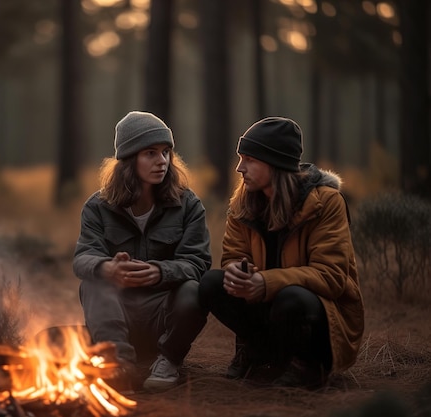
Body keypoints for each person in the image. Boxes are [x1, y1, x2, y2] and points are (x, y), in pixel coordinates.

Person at [198, 116, 365, 389]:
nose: (240, 168)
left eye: (250, 159)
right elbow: (232, 256)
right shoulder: (243, 202)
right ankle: (257, 350)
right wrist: (238, 274)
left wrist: (265, 283)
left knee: (292, 297)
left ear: (275, 163)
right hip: (267, 312)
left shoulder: (326, 203)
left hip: (318, 322)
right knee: (211, 284)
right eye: (241, 158)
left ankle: (308, 365)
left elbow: (332, 277)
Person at [73, 111, 212, 392]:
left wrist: (160, 271)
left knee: (195, 289)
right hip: (116, 316)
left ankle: (169, 361)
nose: (162, 161)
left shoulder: (188, 204)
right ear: (129, 159)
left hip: (163, 316)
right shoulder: (98, 206)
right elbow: (83, 257)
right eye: (150, 153)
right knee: (92, 281)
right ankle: (117, 365)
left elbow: (198, 262)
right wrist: (107, 267)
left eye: (166, 152)